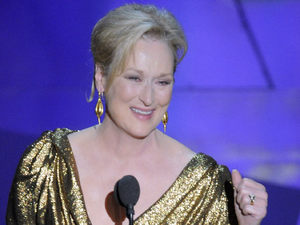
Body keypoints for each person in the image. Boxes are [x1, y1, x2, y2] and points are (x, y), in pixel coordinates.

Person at [6, 4, 268, 225]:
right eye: (135, 78)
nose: (149, 98)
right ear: (102, 77)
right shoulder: (46, 166)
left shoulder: (206, 188)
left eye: (162, 82)